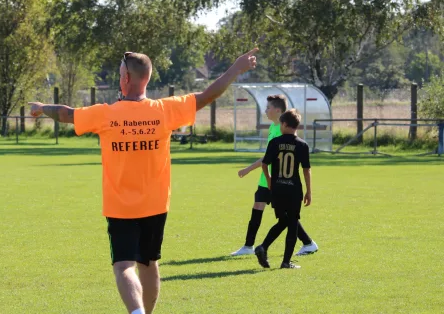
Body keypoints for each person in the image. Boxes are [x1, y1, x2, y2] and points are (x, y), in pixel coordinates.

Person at [29, 48, 258, 314]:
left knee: (124, 265)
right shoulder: (165, 110)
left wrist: (42, 108)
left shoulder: (106, 113)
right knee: (149, 263)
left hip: (120, 206)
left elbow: (67, 114)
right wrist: (236, 68)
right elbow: (208, 95)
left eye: (118, 74)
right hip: (156, 204)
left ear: (126, 77)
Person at [231, 95, 318, 257]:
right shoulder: (273, 127)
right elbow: (267, 157)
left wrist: (248, 169)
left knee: (287, 217)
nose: (266, 110)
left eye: (268, 107)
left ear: (278, 111)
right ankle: (248, 246)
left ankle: (308, 243)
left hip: (279, 181)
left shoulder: (283, 131)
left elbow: (268, 158)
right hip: (266, 179)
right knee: (257, 209)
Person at [254, 109, 313, 269]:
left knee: (283, 220)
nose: (279, 126)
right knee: (292, 223)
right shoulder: (302, 145)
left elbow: (265, 164)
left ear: (285, 124)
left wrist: (270, 180)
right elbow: (306, 170)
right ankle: (286, 262)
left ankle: (263, 247)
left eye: (280, 123)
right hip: (293, 189)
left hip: (277, 189)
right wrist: (309, 191)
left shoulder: (275, 143)